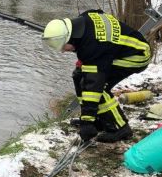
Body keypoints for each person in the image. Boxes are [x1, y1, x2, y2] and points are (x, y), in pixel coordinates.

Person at [43, 10, 151, 143]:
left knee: (100, 88)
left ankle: (120, 128)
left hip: (137, 56)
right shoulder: (84, 18)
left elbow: (94, 86)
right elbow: (99, 13)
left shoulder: (91, 47)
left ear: (69, 38)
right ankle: (99, 119)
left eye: (63, 47)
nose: (63, 51)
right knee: (79, 76)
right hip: (120, 50)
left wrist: (87, 122)